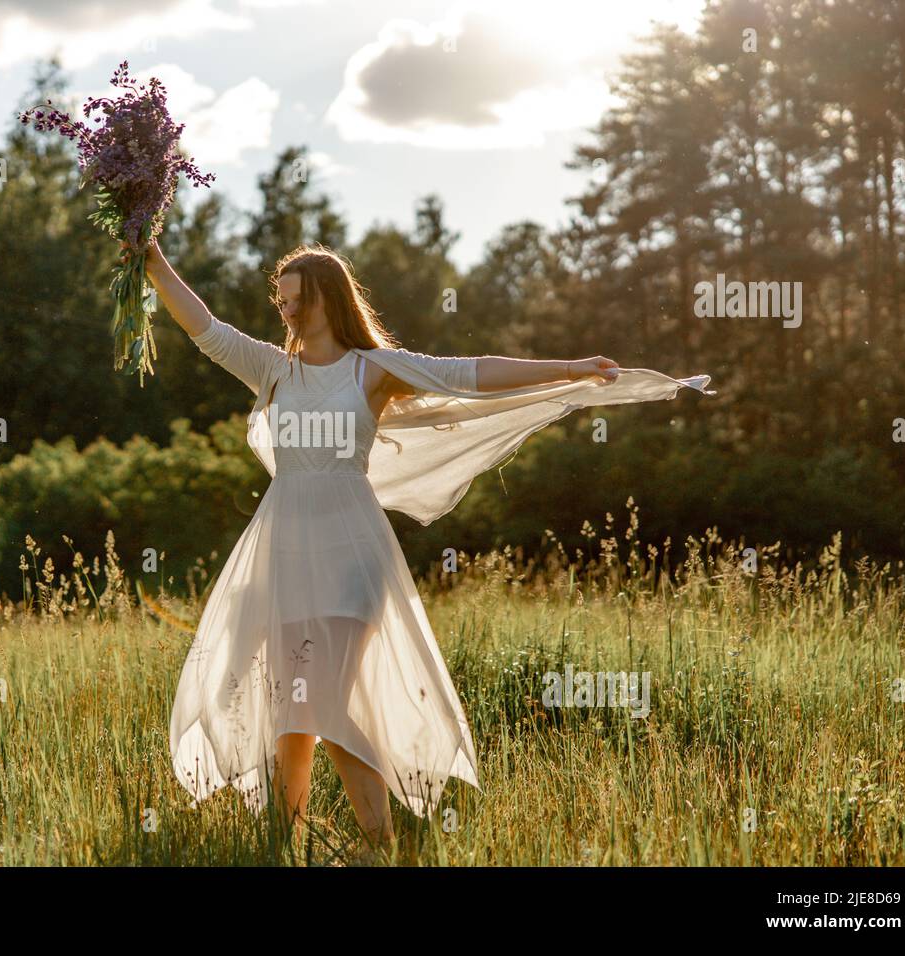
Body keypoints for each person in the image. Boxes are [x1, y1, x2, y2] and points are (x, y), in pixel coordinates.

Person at [131, 238, 709, 863]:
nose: (287, 312)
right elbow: (206, 329)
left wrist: (566, 368)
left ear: (327, 298)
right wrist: (153, 258)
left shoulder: (372, 368)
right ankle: (282, 850)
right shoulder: (274, 369)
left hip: (353, 550)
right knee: (293, 716)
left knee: (320, 700)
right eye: (282, 301)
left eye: (297, 301)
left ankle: (381, 851)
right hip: (285, 550)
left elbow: (470, 371)